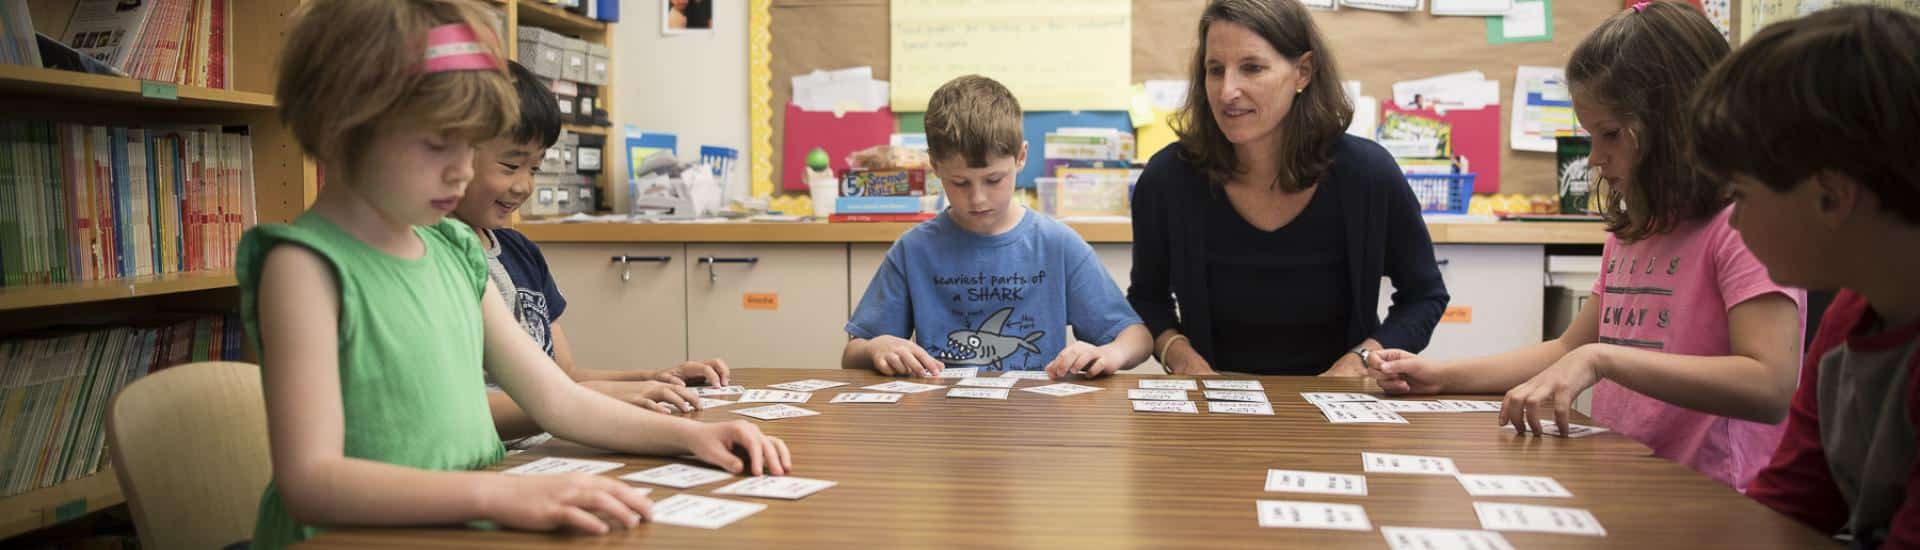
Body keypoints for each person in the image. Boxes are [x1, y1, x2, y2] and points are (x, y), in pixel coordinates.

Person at [241, 2, 790, 546]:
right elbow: (311, 483)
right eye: (439, 144)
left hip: (460, 525)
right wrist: (503, 496)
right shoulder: (304, 268)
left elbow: (557, 400)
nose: (462, 169)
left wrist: (693, 437)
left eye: (469, 145)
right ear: (344, 129)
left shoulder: (454, 249)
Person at [1368, 1, 1805, 492]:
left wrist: (1603, 359)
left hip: (1714, 500)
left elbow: (1768, 384)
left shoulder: (1744, 225)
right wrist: (1443, 376)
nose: (1594, 157)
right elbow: (1566, 348)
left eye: (1611, 134)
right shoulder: (1634, 228)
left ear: (1678, 122)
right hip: (1632, 483)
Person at [1686, 5, 1920, 546]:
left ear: (1832, 196)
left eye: (1741, 194)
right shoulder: (1853, 315)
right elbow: (1788, 510)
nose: (1735, 220)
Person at [1128, 0, 1448, 377]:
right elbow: (1147, 299)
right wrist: (1181, 357)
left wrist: (1362, 360)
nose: (1228, 90)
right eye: (1215, 70)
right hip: (1214, 407)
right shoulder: (1168, 179)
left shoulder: (1368, 175)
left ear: (1303, 72)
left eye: (1252, 68)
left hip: (1339, 409)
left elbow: (1423, 296)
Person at [451, 61, 733, 448]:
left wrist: (654, 377)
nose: (523, 186)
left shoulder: (519, 252)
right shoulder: (443, 257)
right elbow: (461, 410)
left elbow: (563, 375)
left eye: (536, 167)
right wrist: (590, 399)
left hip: (553, 440)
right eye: (511, 165)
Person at [843, 75, 1151, 378]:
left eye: (994, 180)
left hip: (1035, 417)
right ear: (935, 167)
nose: (977, 199)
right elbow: (852, 353)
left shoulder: (1058, 245)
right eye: (959, 182)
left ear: (1021, 157)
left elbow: (1138, 338)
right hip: (941, 417)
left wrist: (1112, 352)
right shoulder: (913, 250)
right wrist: (876, 347)